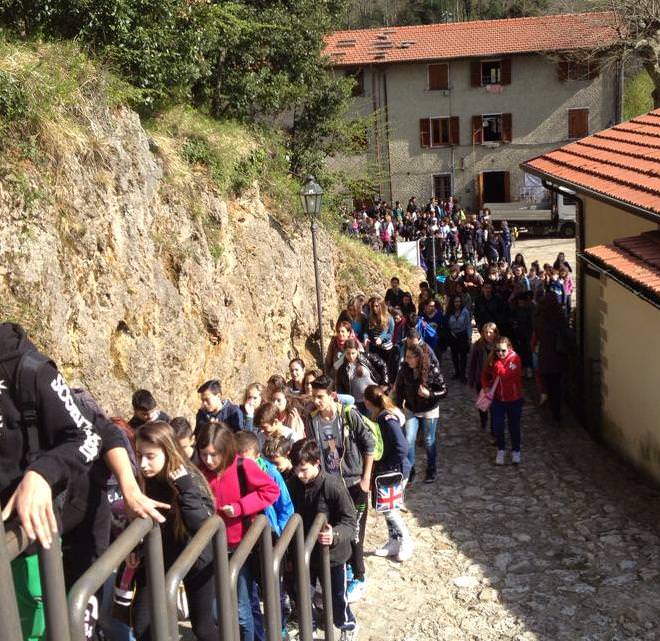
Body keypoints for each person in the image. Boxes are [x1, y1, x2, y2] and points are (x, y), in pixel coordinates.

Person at [0, 323, 103, 641]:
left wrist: (42, 473)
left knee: (35, 628)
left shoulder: (29, 370)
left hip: (28, 539)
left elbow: (87, 437)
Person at [133, 421, 217, 641]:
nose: (143, 463)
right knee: (142, 625)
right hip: (159, 555)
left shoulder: (188, 478)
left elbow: (203, 526)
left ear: (168, 451)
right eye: (139, 455)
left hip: (195, 557)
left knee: (203, 627)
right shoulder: (141, 479)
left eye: (150, 456)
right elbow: (137, 518)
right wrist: (134, 549)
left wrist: (186, 489)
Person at [196, 424, 279, 641]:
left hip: (239, 547)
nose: (209, 460)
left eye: (214, 455)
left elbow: (271, 490)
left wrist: (240, 506)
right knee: (215, 609)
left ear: (225, 450)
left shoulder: (242, 466)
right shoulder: (199, 471)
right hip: (211, 547)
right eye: (204, 454)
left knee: (243, 609)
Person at [308, 376, 375, 604]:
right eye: (314, 396)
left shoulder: (348, 415)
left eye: (320, 396)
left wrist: (366, 478)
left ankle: (359, 576)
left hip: (355, 484)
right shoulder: (313, 419)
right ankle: (347, 570)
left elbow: (370, 444)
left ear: (332, 395)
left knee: (355, 533)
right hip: (332, 485)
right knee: (338, 530)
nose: (316, 401)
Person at [287, 440, 359, 641]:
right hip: (306, 554)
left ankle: (347, 624)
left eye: (304, 469)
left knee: (337, 598)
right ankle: (307, 626)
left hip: (333, 557)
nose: (300, 475)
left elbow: (350, 521)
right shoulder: (293, 484)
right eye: (296, 470)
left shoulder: (333, 485)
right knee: (302, 593)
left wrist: (334, 534)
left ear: (317, 463)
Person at [362, 386, 412, 562]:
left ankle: (406, 541)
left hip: (395, 471)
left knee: (391, 510)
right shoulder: (381, 415)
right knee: (387, 508)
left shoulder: (386, 418)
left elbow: (402, 447)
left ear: (368, 402)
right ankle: (394, 541)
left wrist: (387, 465)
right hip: (390, 470)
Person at [392, 343, 447, 484]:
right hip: (412, 409)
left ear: (418, 358)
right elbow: (399, 390)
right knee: (409, 439)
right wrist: (398, 407)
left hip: (430, 409)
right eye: (406, 357)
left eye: (410, 357)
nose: (407, 360)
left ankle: (431, 469)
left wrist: (429, 394)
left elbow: (444, 390)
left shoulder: (431, 369)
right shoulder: (404, 370)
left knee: (429, 440)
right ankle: (409, 470)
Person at [481, 337, 524, 465]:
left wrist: (497, 364)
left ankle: (516, 451)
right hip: (498, 400)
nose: (500, 353)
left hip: (514, 399)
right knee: (497, 426)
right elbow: (484, 374)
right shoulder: (493, 360)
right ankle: (501, 449)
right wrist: (485, 387)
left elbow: (505, 375)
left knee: (514, 426)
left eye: (503, 351)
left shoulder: (515, 359)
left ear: (509, 348)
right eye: (498, 350)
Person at [533, 293, 567, 422]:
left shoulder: (538, 320)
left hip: (544, 357)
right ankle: (557, 412)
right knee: (558, 386)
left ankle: (553, 410)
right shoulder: (559, 319)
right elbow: (567, 335)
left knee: (549, 386)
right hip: (558, 357)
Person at [335, 340, 388, 414]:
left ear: (357, 350)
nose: (351, 356)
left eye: (353, 353)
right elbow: (340, 386)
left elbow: (382, 364)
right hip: (358, 402)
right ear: (344, 353)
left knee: (380, 419)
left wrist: (384, 382)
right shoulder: (342, 369)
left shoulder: (366, 357)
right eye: (348, 353)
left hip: (374, 397)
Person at [466, 322, 500, 432]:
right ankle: (483, 420)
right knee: (483, 403)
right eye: (486, 332)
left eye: (491, 332)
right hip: (481, 379)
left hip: (496, 380)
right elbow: (472, 363)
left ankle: (494, 428)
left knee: (495, 405)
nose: (488, 335)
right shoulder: (478, 345)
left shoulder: (499, 345)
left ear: (495, 333)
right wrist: (471, 379)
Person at [446, 295, 471, 382]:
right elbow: (446, 324)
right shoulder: (449, 312)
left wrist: (469, 337)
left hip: (462, 335)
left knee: (463, 356)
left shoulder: (465, 312)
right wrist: (450, 333)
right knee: (454, 355)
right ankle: (457, 372)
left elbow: (468, 325)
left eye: (459, 301)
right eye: (456, 301)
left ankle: (463, 374)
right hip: (453, 336)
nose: (457, 303)